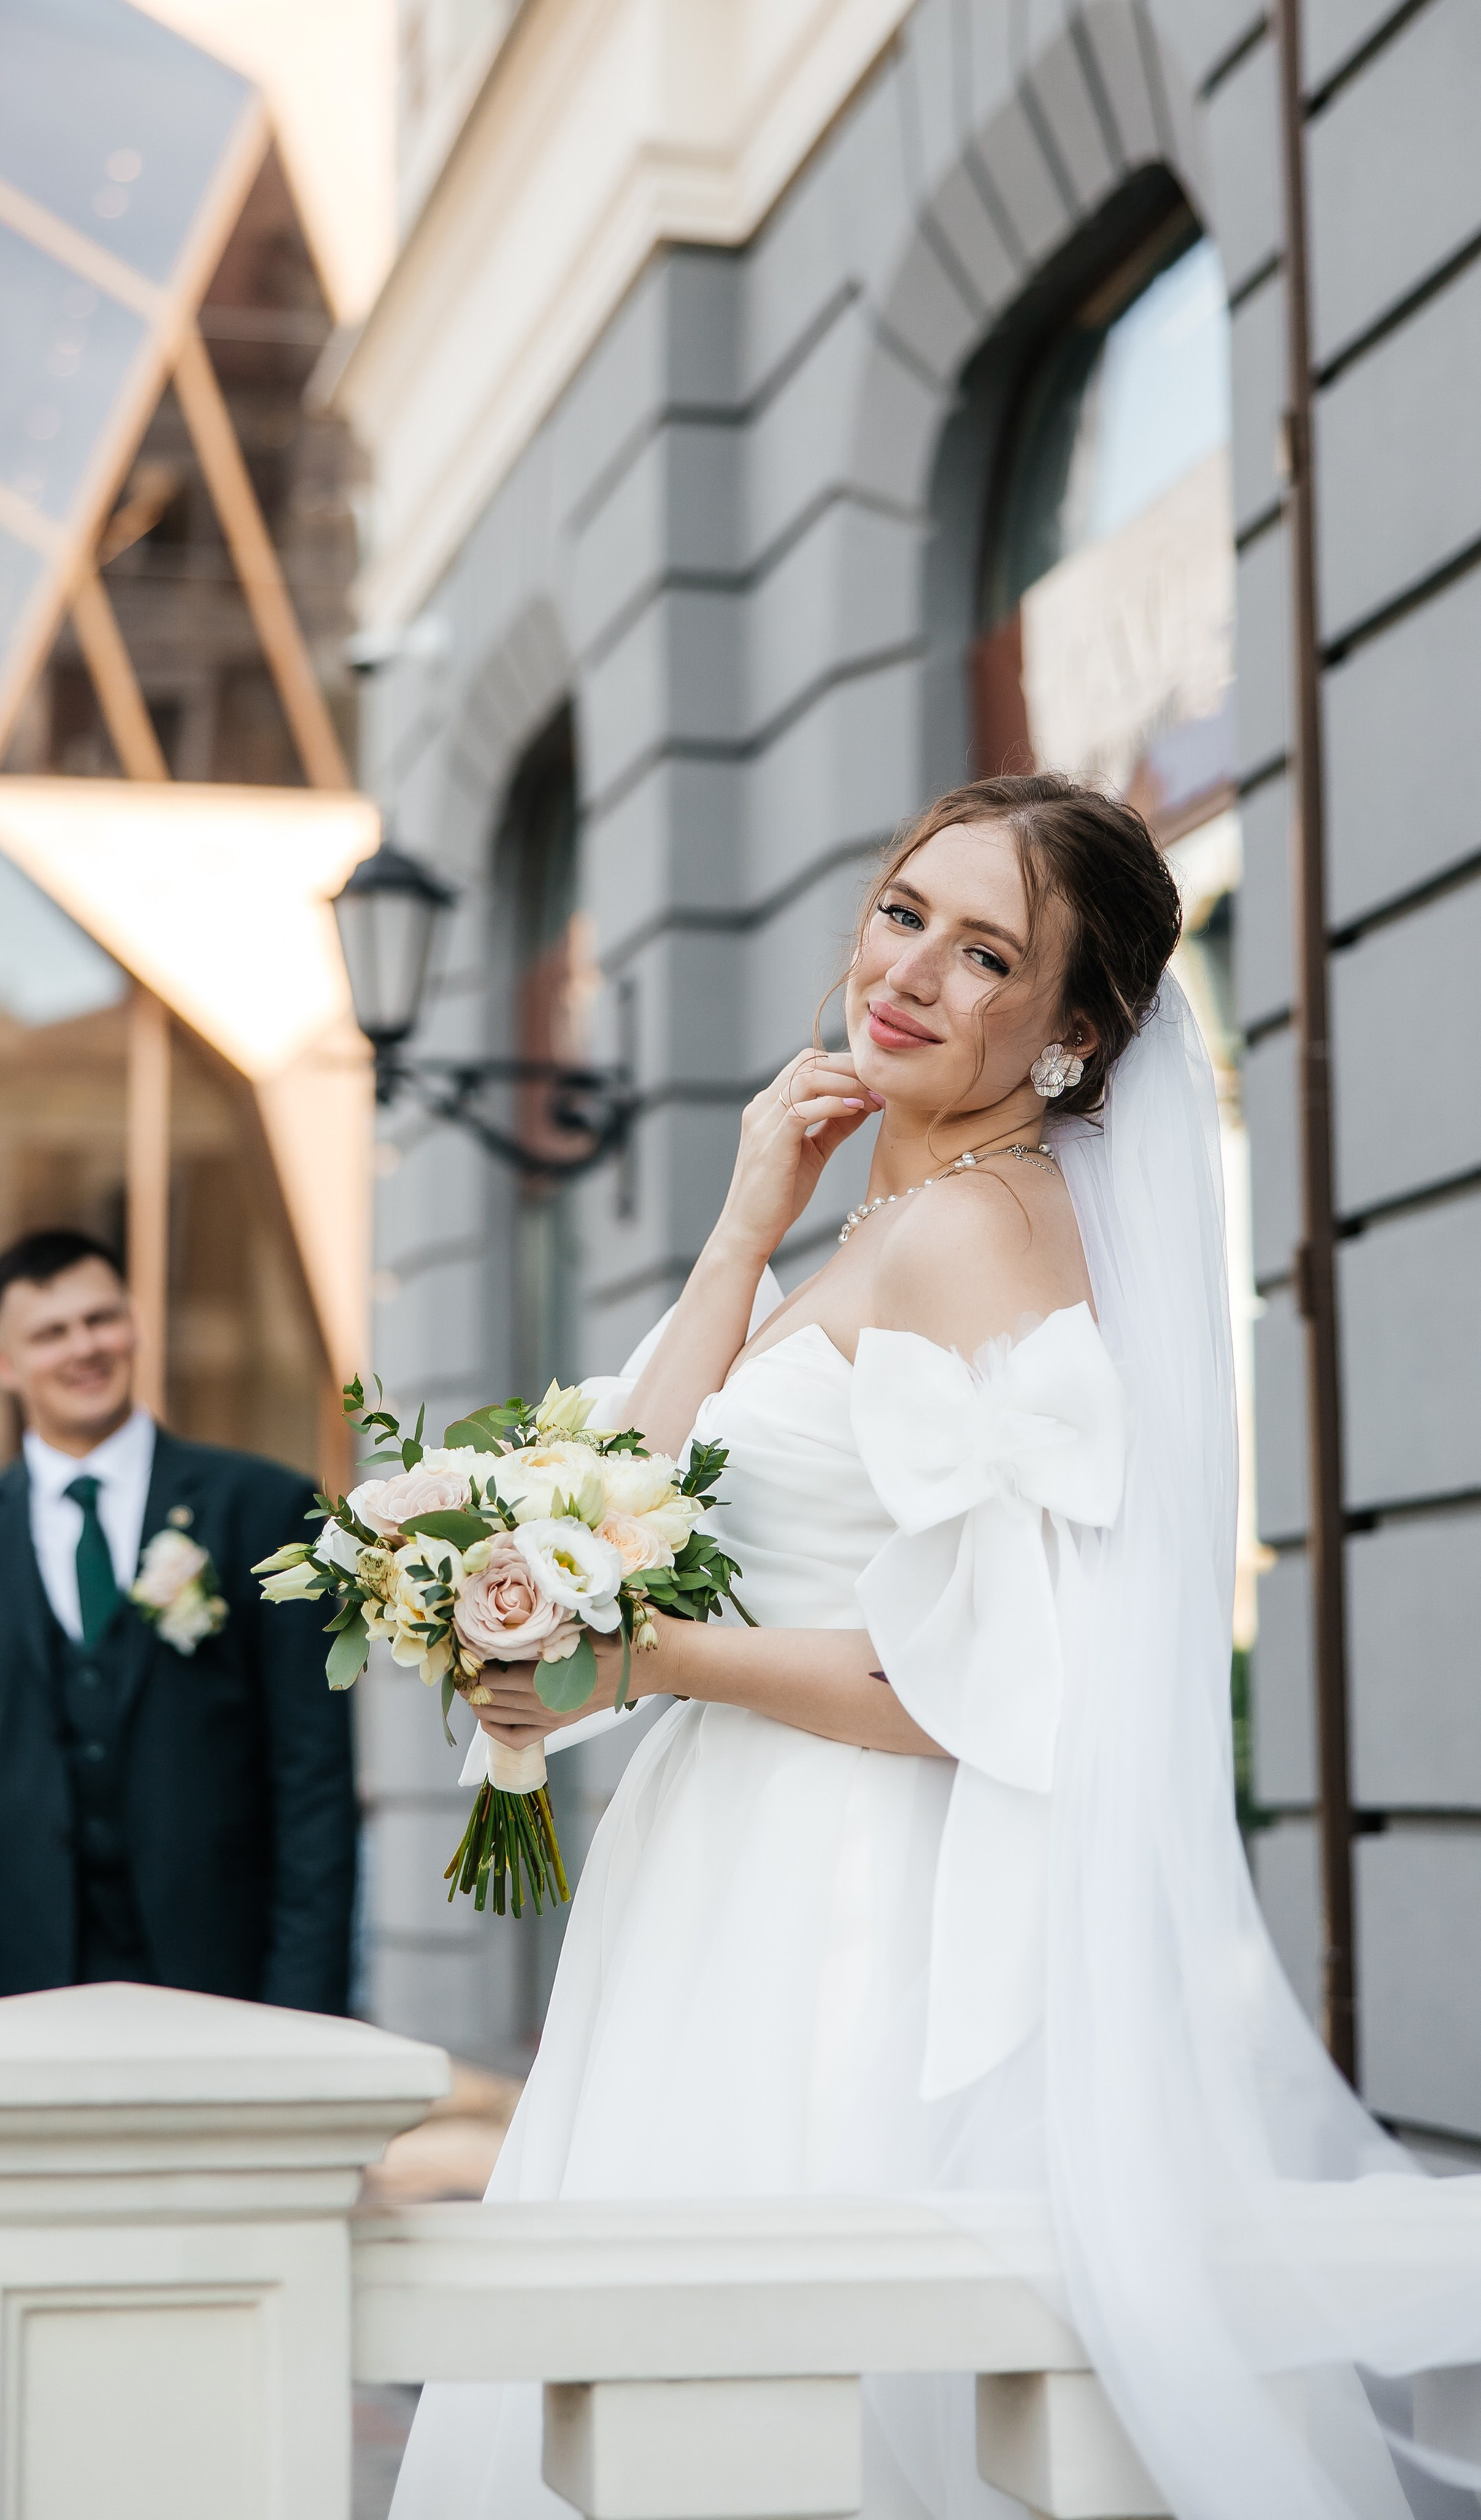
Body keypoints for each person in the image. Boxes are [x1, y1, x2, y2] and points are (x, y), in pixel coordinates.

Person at [391, 775, 1481, 2519]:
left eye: (987, 955)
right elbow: (612, 1508)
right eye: (904, 912)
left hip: (836, 1909)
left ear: (1073, 1028)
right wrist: (747, 1218)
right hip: (719, 1875)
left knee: (779, 2393)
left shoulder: (978, 1235)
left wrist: (661, 1668)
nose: (907, 973)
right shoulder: (874, 1219)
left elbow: (990, 1693)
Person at [0, 1227, 354, 2014]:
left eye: (100, 1319)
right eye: (50, 1332)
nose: (83, 1348)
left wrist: (305, 2004)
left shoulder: (264, 1508)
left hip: (224, 1976)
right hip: (16, 1979)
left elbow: (314, 1780)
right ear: (4, 1363)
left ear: (132, 1326)